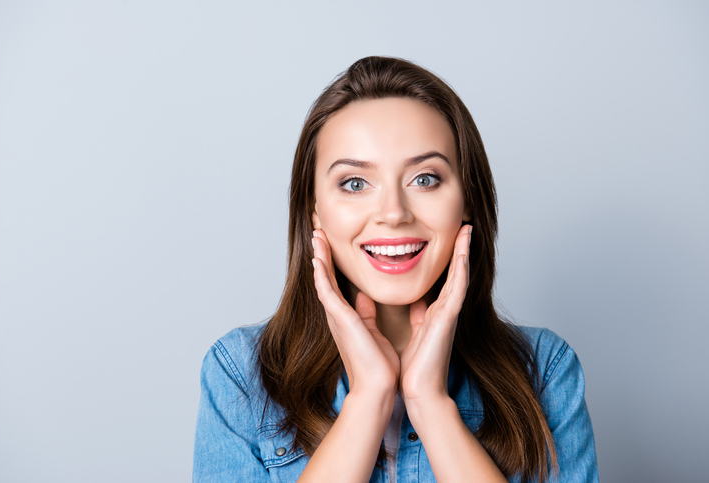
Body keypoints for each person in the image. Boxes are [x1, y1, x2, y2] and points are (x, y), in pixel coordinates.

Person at [193, 56, 598, 483]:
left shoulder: (545, 372)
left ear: (468, 201)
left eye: (425, 179)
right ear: (315, 211)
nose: (393, 213)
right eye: (354, 183)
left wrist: (430, 403)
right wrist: (368, 399)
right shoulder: (240, 376)